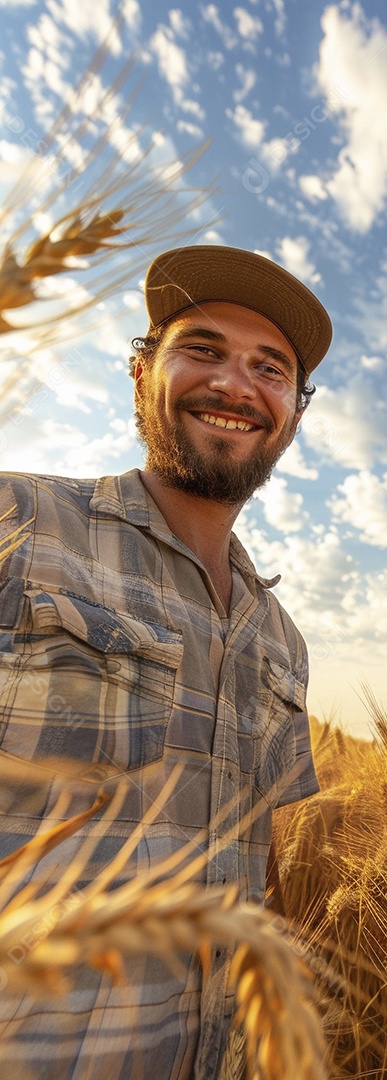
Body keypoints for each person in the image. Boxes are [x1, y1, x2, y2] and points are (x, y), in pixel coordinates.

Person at [0, 245, 332, 1079]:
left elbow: (263, 870)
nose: (236, 384)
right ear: (141, 370)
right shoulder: (19, 525)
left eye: (271, 368)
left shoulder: (281, 637)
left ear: (295, 409)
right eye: (204, 350)